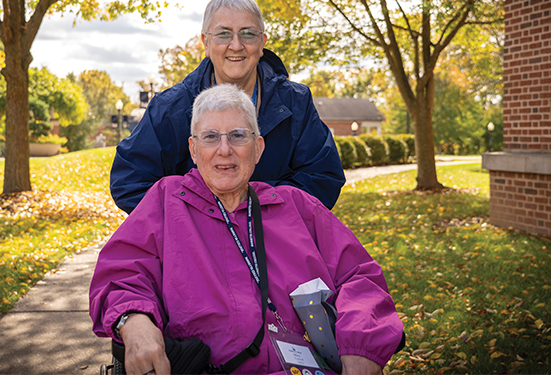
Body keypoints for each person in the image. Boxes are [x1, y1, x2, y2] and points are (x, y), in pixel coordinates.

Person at [90, 84, 404, 375]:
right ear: (194, 150)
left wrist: (361, 346)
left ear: (257, 148)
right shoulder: (166, 200)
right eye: (210, 137)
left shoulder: (296, 206)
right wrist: (134, 322)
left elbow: (360, 277)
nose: (224, 150)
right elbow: (121, 275)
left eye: (238, 136)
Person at [110, 0, 344, 214]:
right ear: (205, 42)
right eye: (223, 34)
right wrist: (202, 216)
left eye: (248, 34)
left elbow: (323, 177)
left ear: (262, 42)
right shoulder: (170, 108)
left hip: (277, 245)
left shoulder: (296, 103)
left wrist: (254, 209)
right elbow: (130, 181)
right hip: (194, 248)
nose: (236, 45)